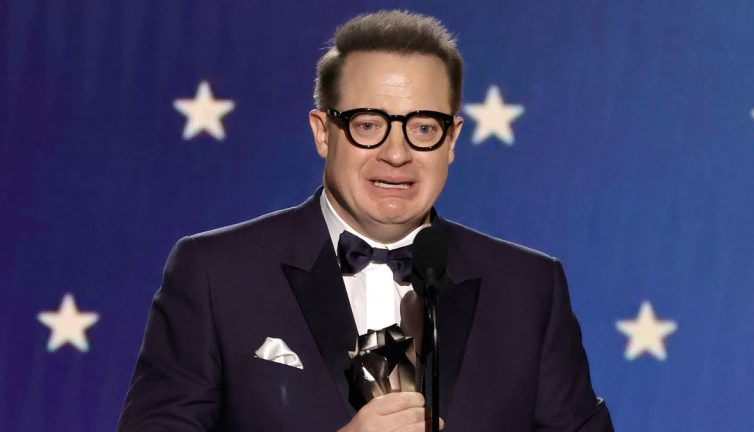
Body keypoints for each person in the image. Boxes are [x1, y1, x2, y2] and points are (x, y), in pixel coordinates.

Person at [117, 10, 614, 431]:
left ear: (452, 140)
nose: (396, 153)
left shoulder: (528, 288)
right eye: (368, 125)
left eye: (424, 127)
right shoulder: (217, 274)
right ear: (323, 132)